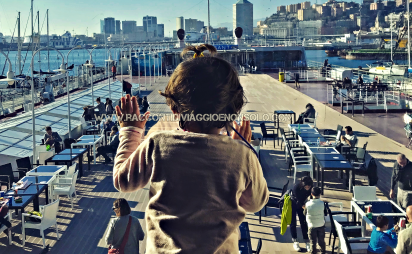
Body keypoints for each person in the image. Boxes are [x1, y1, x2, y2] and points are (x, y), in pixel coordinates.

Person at [113, 44, 269, 253]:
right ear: (232, 108)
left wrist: (130, 130)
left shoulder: (157, 145)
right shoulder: (242, 156)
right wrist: (239, 148)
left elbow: (122, 181)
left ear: (174, 107)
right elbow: (255, 203)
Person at [290, 176, 313, 252]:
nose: (307, 188)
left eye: (308, 187)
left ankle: (306, 240)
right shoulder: (296, 188)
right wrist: (304, 206)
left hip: (302, 203)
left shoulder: (311, 188)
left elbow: (312, 197)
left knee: (303, 222)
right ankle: (295, 240)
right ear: (302, 185)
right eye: (305, 186)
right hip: (293, 203)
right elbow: (298, 199)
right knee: (293, 222)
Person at [305, 187, 326, 254]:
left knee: (312, 242)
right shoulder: (323, 204)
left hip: (311, 226)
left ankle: (313, 252)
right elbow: (325, 213)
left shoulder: (307, 204)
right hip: (321, 225)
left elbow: (304, 213)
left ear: (311, 194)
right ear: (320, 194)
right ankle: (323, 252)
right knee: (321, 241)